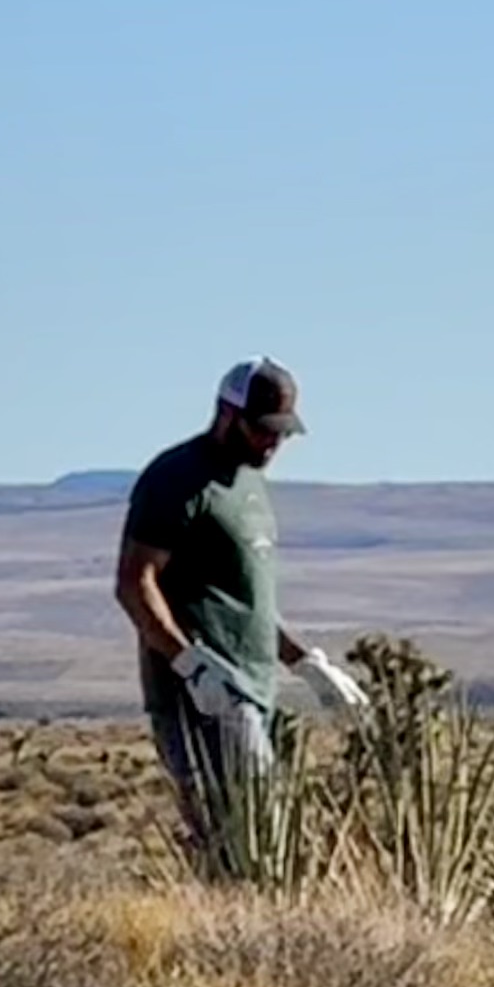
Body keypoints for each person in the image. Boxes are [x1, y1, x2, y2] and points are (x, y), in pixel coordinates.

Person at [117, 359, 324, 852]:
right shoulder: (177, 479)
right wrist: (189, 665)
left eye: (282, 434)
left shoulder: (249, 484)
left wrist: (306, 663)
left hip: (255, 690)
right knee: (242, 840)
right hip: (203, 698)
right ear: (227, 414)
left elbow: (245, 602)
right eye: (262, 430)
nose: (272, 444)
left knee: (261, 838)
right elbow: (134, 582)